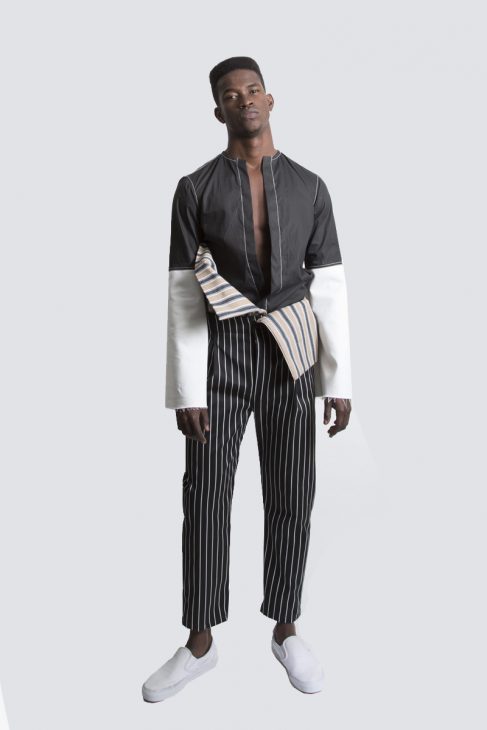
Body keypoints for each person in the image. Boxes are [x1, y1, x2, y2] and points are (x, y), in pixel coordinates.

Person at [142, 56, 352, 702]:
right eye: (231, 95)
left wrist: (338, 380)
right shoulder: (195, 188)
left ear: (270, 99)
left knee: (292, 492)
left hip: (292, 348)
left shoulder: (310, 186)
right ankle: (200, 642)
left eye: (253, 90)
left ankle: (286, 629)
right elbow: (183, 289)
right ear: (218, 111)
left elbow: (329, 284)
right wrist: (186, 391)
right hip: (222, 351)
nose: (245, 100)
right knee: (205, 495)